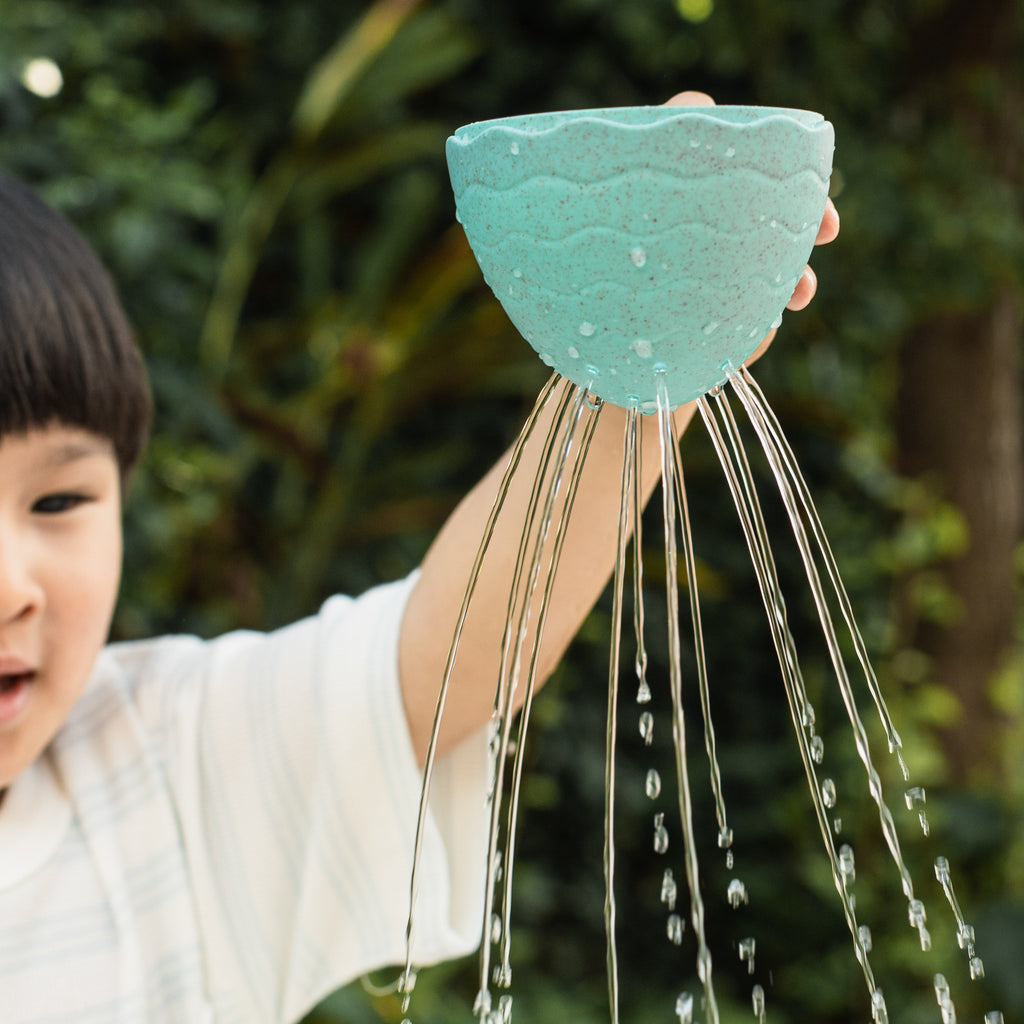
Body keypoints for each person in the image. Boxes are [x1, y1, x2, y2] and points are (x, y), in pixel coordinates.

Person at [0, 91, 839, 1023]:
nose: (9, 587)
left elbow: (447, 657)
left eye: (59, 500)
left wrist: (653, 303)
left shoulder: (154, 778)